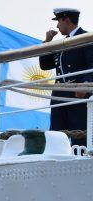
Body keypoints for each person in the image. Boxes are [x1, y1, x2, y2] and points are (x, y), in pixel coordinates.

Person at [39, 8, 93, 145]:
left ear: (66, 20)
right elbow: (45, 65)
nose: (57, 26)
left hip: (77, 95)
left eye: (58, 21)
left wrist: (85, 83)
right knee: (55, 136)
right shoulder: (61, 43)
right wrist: (47, 42)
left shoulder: (86, 38)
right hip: (59, 96)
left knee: (79, 136)